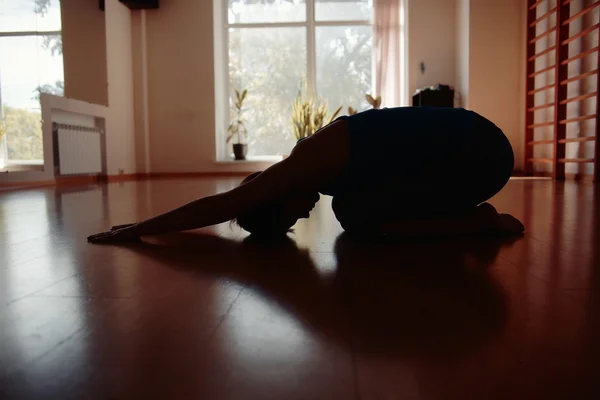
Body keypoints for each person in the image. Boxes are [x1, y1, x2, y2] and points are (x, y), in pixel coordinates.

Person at [87, 107, 524, 244]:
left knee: (355, 215)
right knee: (352, 208)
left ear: (273, 195)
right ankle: (469, 214)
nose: (304, 215)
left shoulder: (307, 162)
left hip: (480, 156)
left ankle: (478, 224)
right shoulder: (315, 158)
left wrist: (139, 230)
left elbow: (224, 206)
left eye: (290, 217)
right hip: (478, 152)